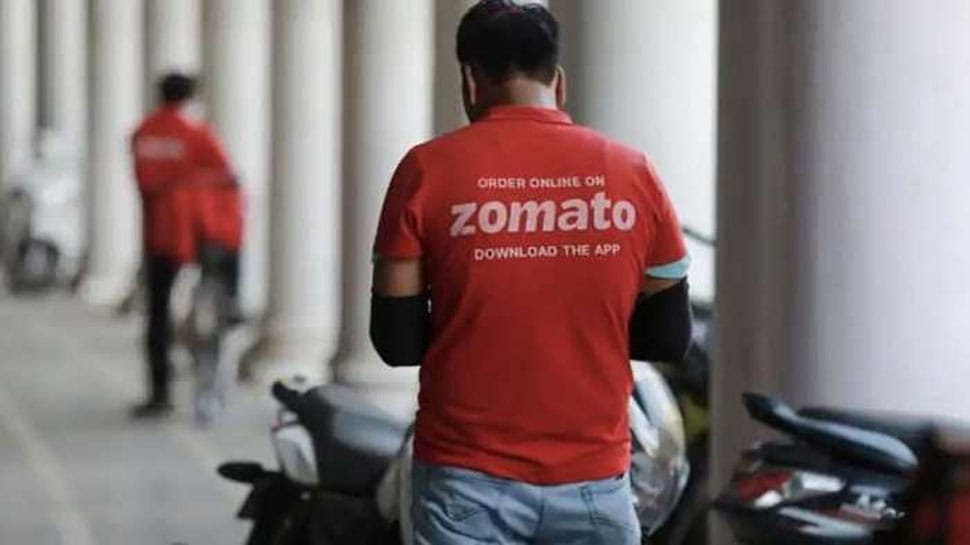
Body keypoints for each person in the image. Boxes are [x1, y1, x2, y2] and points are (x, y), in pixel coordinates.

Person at [369, 1, 693, 543]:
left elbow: (396, 342)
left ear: (470, 80)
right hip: (596, 481)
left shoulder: (426, 170)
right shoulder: (633, 172)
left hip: (465, 482)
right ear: (558, 81)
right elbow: (668, 336)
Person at [129, 73, 243, 419]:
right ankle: (212, 379)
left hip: (159, 236)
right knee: (217, 306)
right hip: (200, 235)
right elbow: (229, 179)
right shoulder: (197, 134)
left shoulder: (144, 132)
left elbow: (143, 182)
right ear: (190, 97)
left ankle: (159, 392)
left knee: (158, 314)